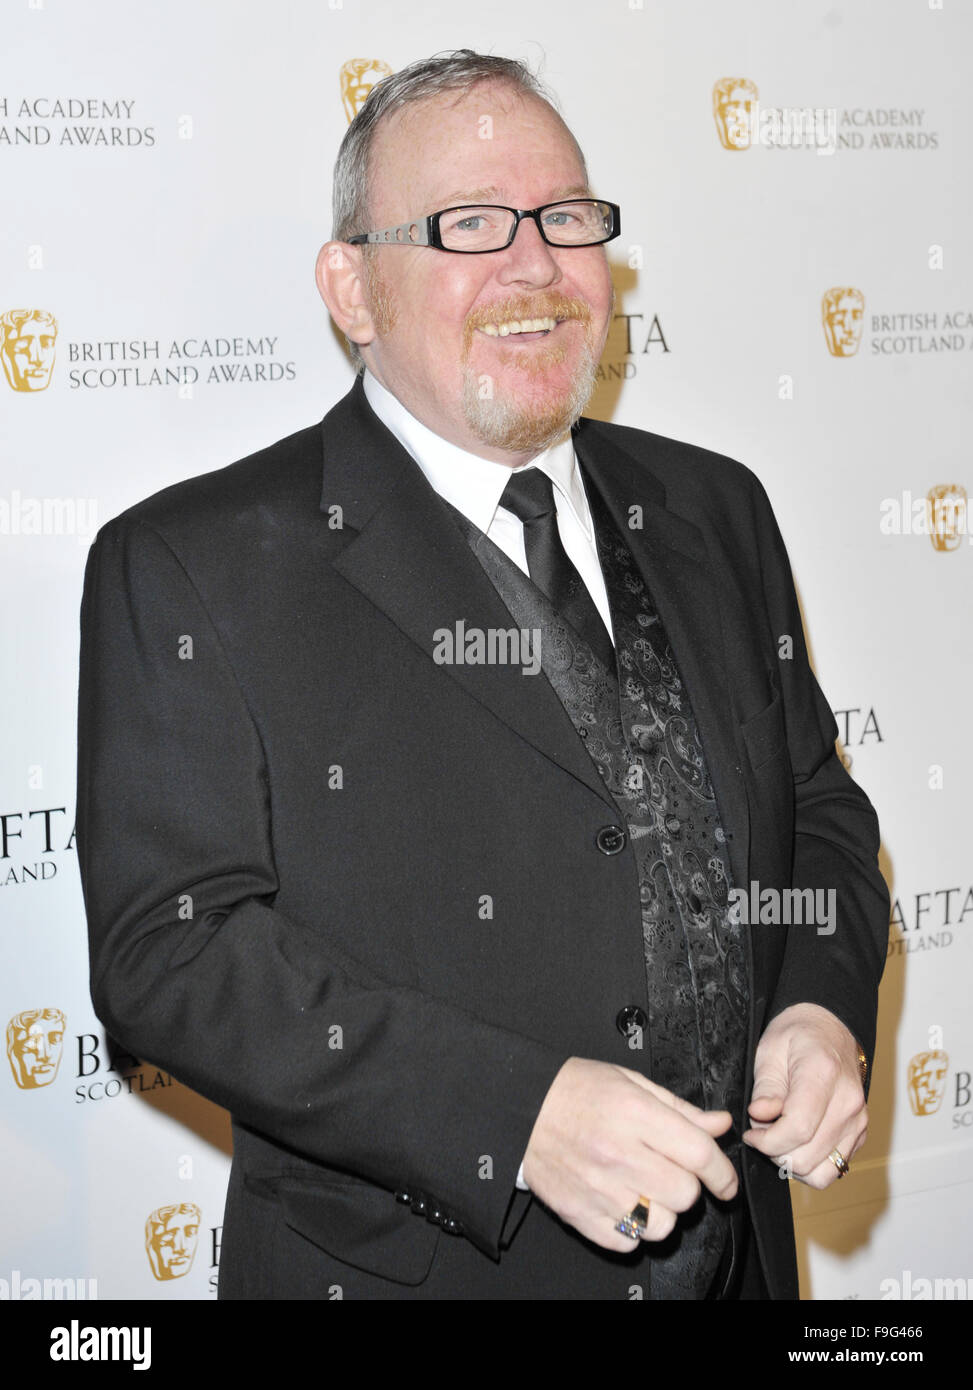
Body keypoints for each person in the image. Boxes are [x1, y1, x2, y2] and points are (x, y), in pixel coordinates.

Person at [76, 51, 889, 1300]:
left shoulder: (715, 507)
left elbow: (817, 808)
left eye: (565, 218)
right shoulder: (193, 564)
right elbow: (170, 956)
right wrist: (516, 1117)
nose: (535, 265)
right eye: (469, 224)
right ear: (352, 288)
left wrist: (820, 1008)